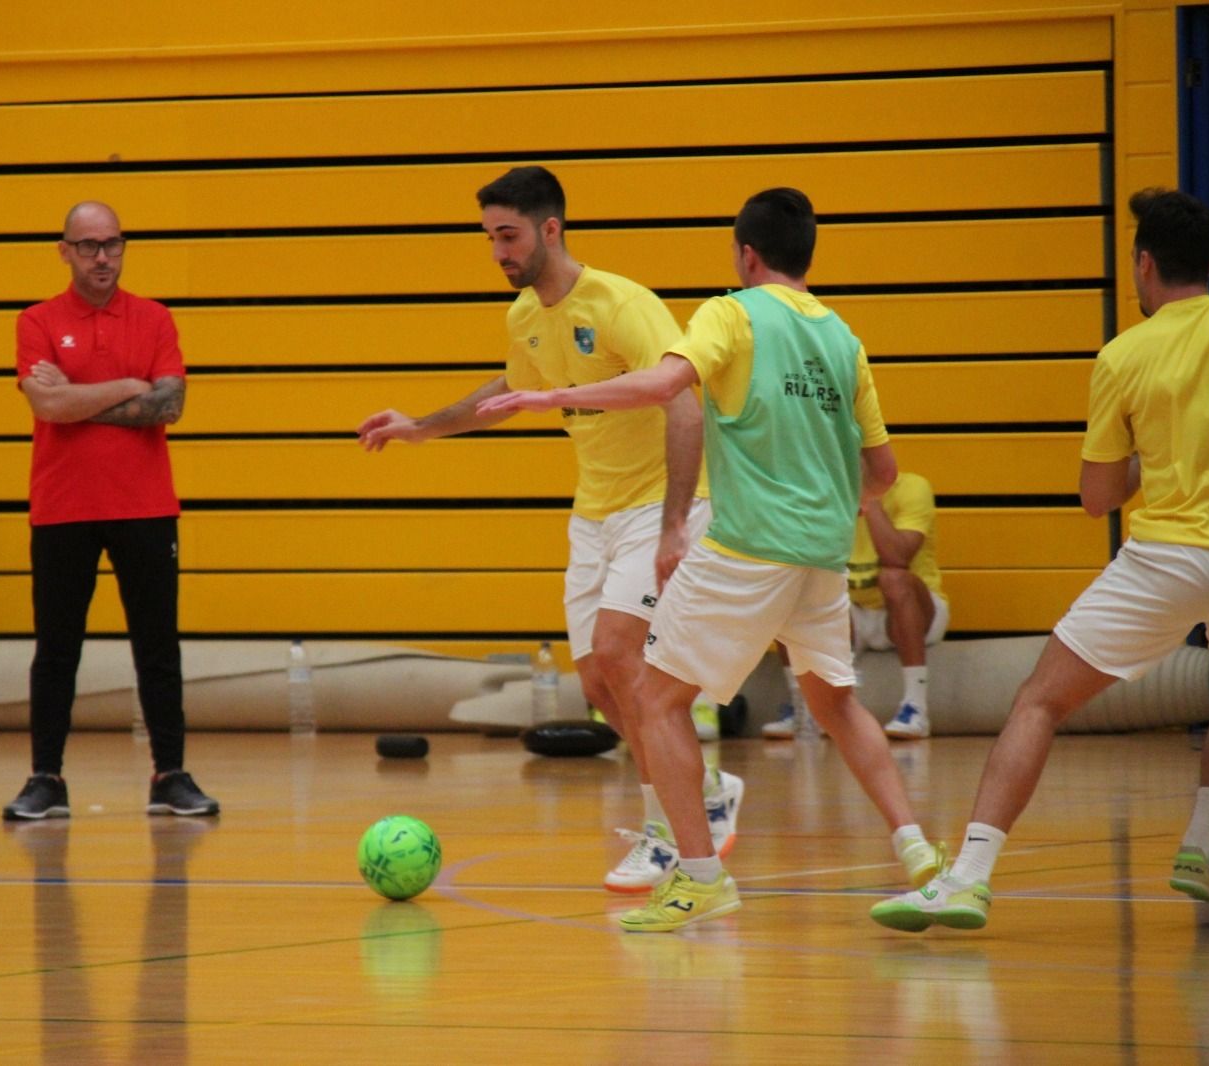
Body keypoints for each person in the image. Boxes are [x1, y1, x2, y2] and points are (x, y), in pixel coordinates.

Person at [478, 187, 943, 931]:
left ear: (746, 255)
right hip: (821, 552)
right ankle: (917, 849)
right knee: (837, 703)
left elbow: (666, 385)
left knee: (656, 701)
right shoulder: (842, 339)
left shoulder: (732, 313)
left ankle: (699, 876)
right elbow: (881, 474)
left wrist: (547, 399)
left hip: (749, 544)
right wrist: (823, 500)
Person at [871, 188, 1209, 933]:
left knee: (1040, 701)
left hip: (1171, 561)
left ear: (1143, 264)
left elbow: (1098, 497)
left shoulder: (1123, 355)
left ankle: (968, 878)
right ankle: (1200, 845)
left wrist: (1154, 457)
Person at [356, 166, 741, 892]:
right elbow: (509, 390)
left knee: (624, 658)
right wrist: (420, 427)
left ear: (550, 229)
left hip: (657, 507)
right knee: (598, 681)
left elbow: (685, 408)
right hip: (593, 516)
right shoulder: (525, 316)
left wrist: (673, 528)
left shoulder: (623, 304)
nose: (498, 252)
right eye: (489, 238)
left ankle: (666, 834)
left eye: (508, 236)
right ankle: (706, 791)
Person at [2, 200, 218, 821]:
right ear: (64, 251)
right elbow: (46, 407)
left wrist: (75, 396)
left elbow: (169, 406)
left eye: (113, 244)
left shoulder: (154, 318)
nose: (103, 257)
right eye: (89, 245)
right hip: (62, 507)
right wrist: (128, 387)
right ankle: (45, 779)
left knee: (158, 646)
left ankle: (170, 775)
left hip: (145, 506)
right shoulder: (37, 321)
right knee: (56, 649)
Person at [763, 471, 949, 739]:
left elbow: (897, 557)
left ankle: (916, 708)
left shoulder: (911, 487)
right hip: (854, 610)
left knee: (893, 578)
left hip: (915, 610)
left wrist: (868, 497)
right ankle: (803, 709)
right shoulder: (825, 491)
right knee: (791, 589)